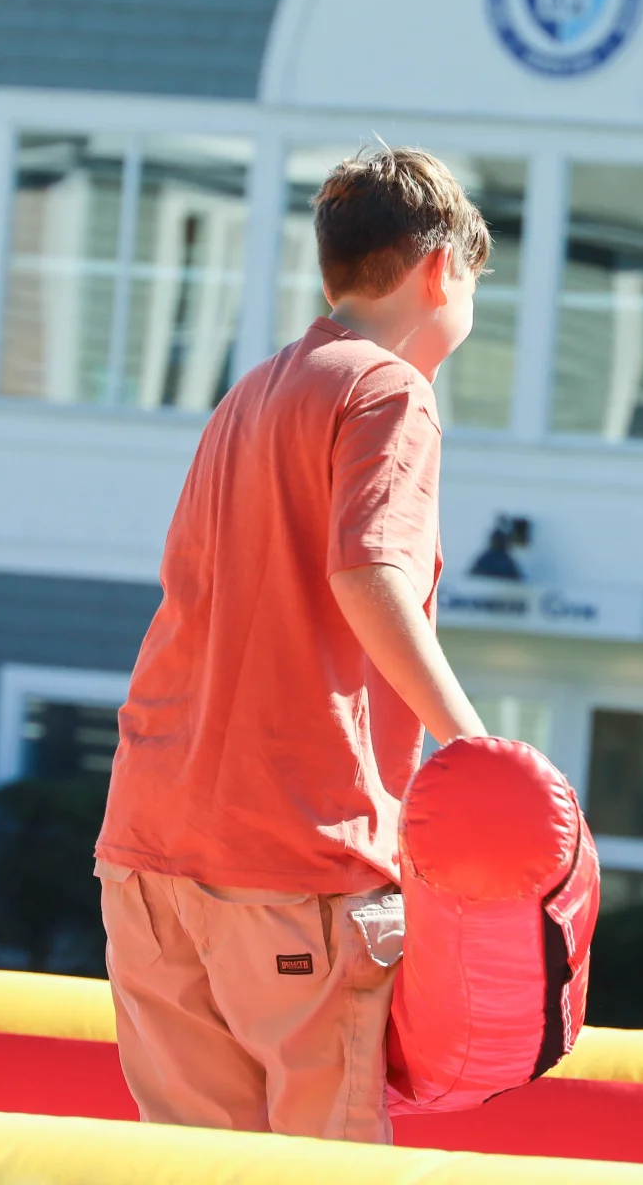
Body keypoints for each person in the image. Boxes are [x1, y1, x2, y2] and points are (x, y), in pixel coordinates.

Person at [94, 147, 493, 1144]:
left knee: (192, 1163)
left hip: (151, 847)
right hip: (292, 854)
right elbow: (369, 577)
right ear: (441, 270)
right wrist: (477, 746)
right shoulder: (389, 390)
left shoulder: (251, 393)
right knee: (326, 1159)